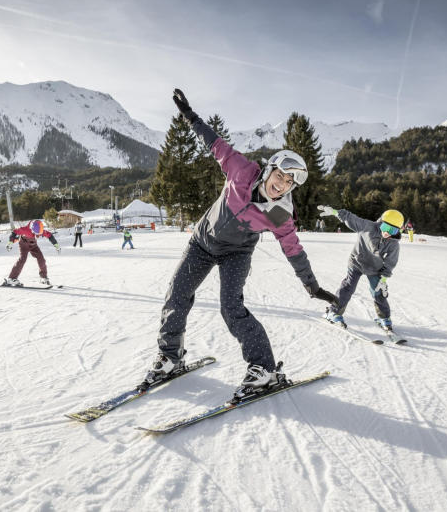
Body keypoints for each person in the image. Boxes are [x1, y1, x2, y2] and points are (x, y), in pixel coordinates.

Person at [142, 89, 338, 399]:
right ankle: (170, 356)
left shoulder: (279, 212)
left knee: (231, 307)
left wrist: (312, 286)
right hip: (202, 242)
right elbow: (214, 142)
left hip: (236, 253)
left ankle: (264, 369)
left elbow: (293, 249)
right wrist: (190, 116)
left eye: (290, 182)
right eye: (281, 175)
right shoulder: (241, 170)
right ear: (270, 169)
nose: (282, 185)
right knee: (177, 294)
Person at [317, 205, 403, 331]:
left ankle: (384, 318)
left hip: (374, 268)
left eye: (393, 231)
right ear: (381, 222)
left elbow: (391, 261)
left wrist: (384, 278)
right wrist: (335, 212)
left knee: (378, 291)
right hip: (357, 262)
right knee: (348, 287)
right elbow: (350, 218)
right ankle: (333, 312)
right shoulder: (367, 227)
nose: (387, 233)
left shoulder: (393, 244)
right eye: (385, 227)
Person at [4, 219, 61, 286]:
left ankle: (43, 277)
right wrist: (10, 242)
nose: (37, 235)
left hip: (33, 245)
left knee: (41, 259)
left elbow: (49, 235)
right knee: (22, 259)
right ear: (32, 230)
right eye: (36, 233)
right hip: (24, 245)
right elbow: (14, 232)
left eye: (39, 233)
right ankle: (11, 279)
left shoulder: (39, 229)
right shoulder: (25, 230)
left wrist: (56, 245)